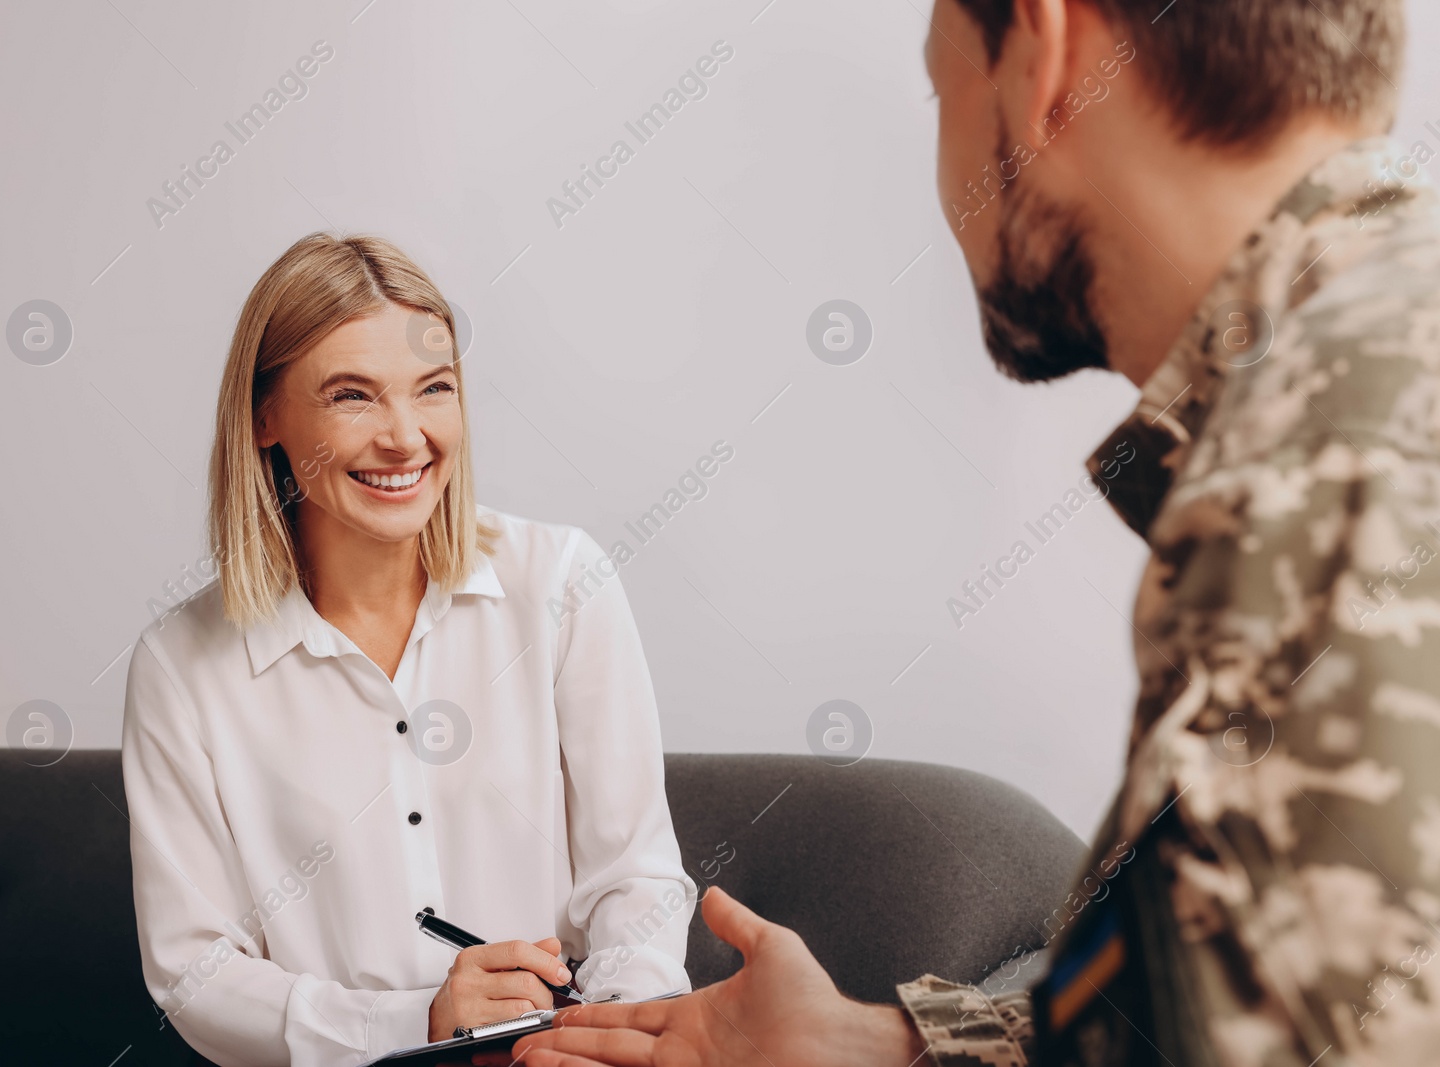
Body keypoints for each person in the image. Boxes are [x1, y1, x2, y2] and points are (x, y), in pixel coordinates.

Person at [514, 0, 1440, 1064]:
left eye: (937, 83)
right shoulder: (1351, 376)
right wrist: (885, 1047)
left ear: (1042, 57)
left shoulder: (1335, 460)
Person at [120, 233, 693, 1066]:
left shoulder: (564, 583)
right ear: (264, 415)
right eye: (353, 395)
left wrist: (608, 1039)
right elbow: (193, 971)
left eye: (434, 389)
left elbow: (635, 877)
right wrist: (416, 1021)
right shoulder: (180, 666)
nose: (405, 436)